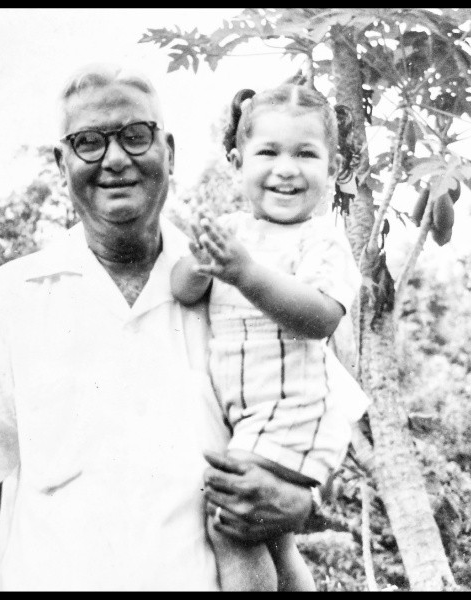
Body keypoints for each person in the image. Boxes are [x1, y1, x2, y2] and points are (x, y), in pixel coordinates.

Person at [0, 63, 319, 591]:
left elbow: (307, 438)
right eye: (88, 142)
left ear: (169, 151)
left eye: (135, 135)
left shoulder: (246, 285)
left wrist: (304, 501)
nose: (116, 158)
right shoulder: (15, 297)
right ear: (62, 163)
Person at [170, 84, 368, 591]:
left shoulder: (322, 237)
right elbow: (182, 289)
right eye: (268, 152)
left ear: (335, 167)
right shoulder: (233, 232)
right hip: (253, 415)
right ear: (237, 162)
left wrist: (244, 274)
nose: (286, 168)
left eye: (306, 153)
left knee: (229, 522)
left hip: (295, 413)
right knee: (273, 539)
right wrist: (201, 263)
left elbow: (321, 317)